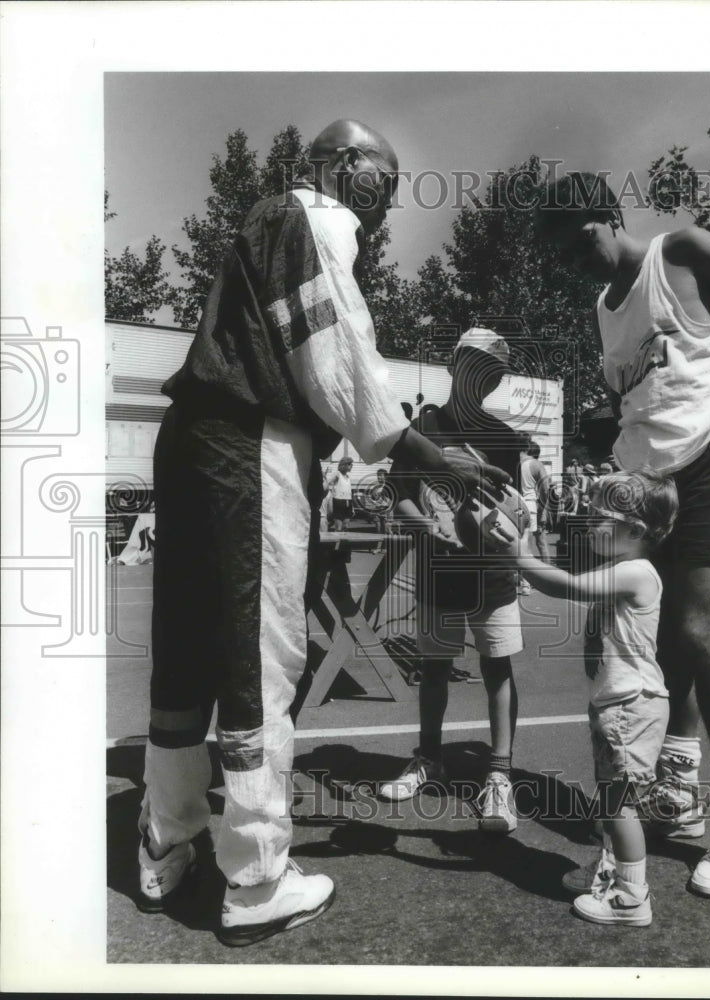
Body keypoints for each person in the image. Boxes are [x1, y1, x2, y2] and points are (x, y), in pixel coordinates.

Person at [137, 118, 510, 945]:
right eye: (386, 174)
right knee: (259, 655)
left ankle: (166, 839)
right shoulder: (315, 217)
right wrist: (431, 455)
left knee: (186, 647)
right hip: (253, 439)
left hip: (192, 435)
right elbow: (340, 358)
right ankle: (257, 877)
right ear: (345, 164)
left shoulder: (262, 219)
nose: (390, 198)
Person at [535, 172, 710, 898]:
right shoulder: (605, 309)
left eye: (577, 246)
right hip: (644, 491)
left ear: (607, 214)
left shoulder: (683, 253)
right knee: (660, 648)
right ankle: (680, 786)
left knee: (702, 635)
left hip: (709, 466)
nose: (573, 266)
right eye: (560, 261)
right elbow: (636, 400)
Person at [508, 471, 679, 926]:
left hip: (631, 706)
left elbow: (566, 586)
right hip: (617, 703)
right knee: (609, 801)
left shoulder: (636, 572)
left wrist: (519, 556)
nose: (587, 521)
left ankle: (631, 896)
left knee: (617, 804)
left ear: (636, 531)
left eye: (600, 516)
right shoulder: (625, 567)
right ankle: (610, 872)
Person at [378, 328, 524, 834]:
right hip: (439, 568)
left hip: (492, 574)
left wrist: (507, 529)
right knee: (434, 668)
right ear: (455, 362)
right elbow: (399, 498)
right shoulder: (423, 428)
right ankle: (430, 757)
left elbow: (514, 510)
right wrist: (432, 529)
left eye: (496, 371)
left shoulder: (504, 438)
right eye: (477, 363)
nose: (485, 377)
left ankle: (499, 775)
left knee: (496, 668)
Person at [518, 440, 552, 564]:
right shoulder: (536, 464)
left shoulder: (516, 463)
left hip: (516, 504)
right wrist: (542, 509)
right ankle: (547, 574)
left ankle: (521, 577)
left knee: (521, 542)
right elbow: (545, 489)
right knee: (540, 542)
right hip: (532, 505)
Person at [326, 456, 354, 531]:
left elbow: (349, 493)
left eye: (351, 464)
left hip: (348, 502)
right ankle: (336, 542)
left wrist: (353, 507)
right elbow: (327, 483)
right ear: (343, 465)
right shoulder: (338, 474)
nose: (351, 466)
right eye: (349, 464)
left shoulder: (348, 477)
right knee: (338, 528)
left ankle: (343, 542)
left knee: (346, 526)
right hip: (338, 502)